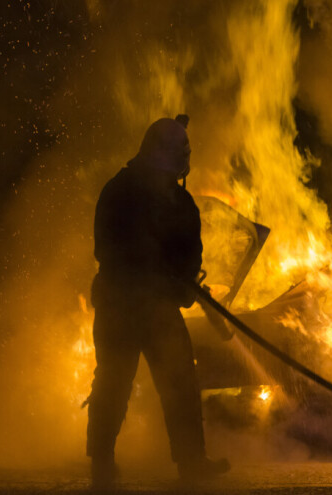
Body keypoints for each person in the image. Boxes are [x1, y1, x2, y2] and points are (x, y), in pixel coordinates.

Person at [87, 115, 229, 488]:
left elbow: (187, 256)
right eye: (181, 152)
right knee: (122, 383)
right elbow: (109, 248)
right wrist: (159, 277)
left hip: (142, 306)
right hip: (129, 305)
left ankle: (184, 462)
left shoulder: (144, 194)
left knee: (169, 381)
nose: (184, 160)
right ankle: (107, 463)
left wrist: (180, 284)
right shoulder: (138, 195)